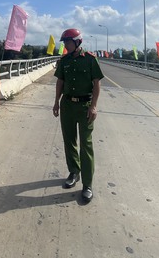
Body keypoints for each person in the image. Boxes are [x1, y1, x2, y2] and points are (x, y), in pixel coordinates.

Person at [52, 28, 104, 203]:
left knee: (86, 144)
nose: (65, 45)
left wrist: (94, 106)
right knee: (69, 141)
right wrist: (56, 102)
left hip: (85, 107)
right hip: (67, 105)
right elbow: (60, 82)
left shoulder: (90, 60)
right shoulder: (64, 61)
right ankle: (74, 171)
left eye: (68, 42)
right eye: (64, 42)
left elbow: (96, 84)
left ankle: (87, 184)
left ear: (77, 42)